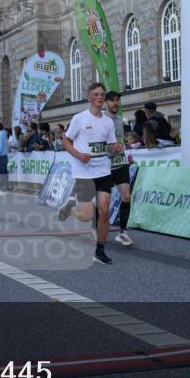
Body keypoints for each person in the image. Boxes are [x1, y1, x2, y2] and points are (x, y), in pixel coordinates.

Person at [57, 82, 122, 265]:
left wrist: (116, 147)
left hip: (103, 170)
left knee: (104, 211)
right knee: (86, 215)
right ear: (89, 97)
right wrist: (79, 155)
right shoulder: (79, 119)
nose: (100, 97)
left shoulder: (108, 121)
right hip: (84, 172)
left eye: (102, 94)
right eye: (96, 94)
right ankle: (70, 208)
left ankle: (100, 250)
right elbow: (66, 142)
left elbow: (111, 146)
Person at [104, 90, 134, 247]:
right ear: (106, 102)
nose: (116, 103)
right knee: (103, 201)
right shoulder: (100, 120)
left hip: (121, 163)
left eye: (118, 101)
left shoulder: (120, 120)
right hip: (105, 165)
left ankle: (122, 233)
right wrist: (110, 148)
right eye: (112, 101)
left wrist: (124, 145)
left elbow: (121, 139)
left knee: (126, 197)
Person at [0, 122, 9, 194]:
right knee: (5, 172)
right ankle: (6, 187)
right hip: (5, 155)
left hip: (0, 156)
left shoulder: (0, 135)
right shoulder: (5, 134)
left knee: (1, 173)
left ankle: (3, 189)